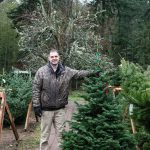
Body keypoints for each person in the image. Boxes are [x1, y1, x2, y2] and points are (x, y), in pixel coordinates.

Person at [32, 48, 96, 150]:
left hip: (60, 110)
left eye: (56, 56)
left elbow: (79, 73)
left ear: (59, 58)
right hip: (46, 110)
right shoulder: (41, 71)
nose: (54, 58)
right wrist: (36, 105)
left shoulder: (66, 71)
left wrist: (93, 72)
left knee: (61, 135)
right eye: (52, 57)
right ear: (49, 58)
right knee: (44, 136)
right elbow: (36, 89)